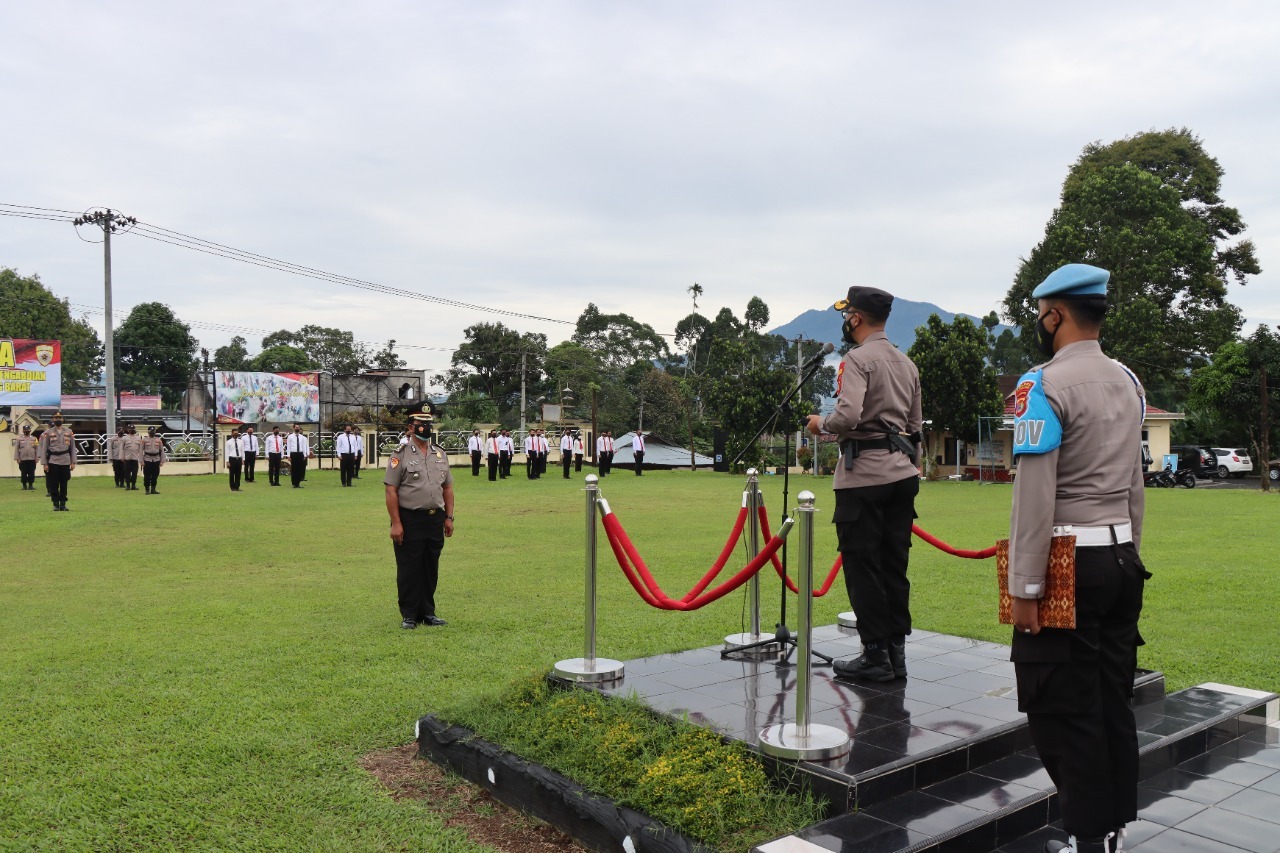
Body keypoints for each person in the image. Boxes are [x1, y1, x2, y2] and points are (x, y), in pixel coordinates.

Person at [1008, 264, 1147, 853]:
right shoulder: (1128, 381)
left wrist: (1024, 585)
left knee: (1062, 708)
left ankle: (1088, 838)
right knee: (1110, 698)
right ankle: (1109, 827)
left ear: (1055, 314)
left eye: (1040, 314)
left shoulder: (1040, 385)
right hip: (1120, 559)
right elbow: (1135, 483)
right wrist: (1130, 550)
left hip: (1069, 566)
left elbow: (1035, 493)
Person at [805, 286, 922, 683]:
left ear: (856, 318)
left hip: (863, 478)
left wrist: (821, 424)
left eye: (848, 314)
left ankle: (874, 656)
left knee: (862, 566)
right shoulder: (907, 364)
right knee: (894, 565)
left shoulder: (856, 360)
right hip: (902, 476)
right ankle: (896, 653)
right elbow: (917, 427)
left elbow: (849, 414)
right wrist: (911, 466)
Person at [384, 412, 454, 629]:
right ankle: (409, 614)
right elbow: (391, 490)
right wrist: (396, 523)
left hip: (435, 519)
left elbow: (448, 488)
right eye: (420, 424)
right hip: (409, 519)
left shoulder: (439, 454)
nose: (425, 427)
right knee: (409, 567)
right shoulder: (400, 455)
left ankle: (428, 612)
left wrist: (449, 517)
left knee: (430, 567)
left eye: (428, 424)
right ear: (411, 428)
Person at [37, 412, 76, 511]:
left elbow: (72, 448)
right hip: (53, 460)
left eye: (60, 417)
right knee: (54, 483)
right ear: (53, 419)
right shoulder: (48, 432)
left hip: (65, 460)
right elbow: (44, 448)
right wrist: (45, 463)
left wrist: (73, 462)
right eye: (56, 418)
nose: (58, 419)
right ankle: (55, 504)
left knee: (64, 483)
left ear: (63, 419)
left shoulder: (69, 431)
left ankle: (63, 504)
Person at [141, 426, 166, 494]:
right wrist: (141, 461)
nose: (152, 433)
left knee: (155, 475)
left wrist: (162, 461)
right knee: (147, 475)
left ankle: (153, 489)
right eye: (151, 431)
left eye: (153, 431)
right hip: (147, 459)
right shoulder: (144, 440)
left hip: (156, 459)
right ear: (148, 432)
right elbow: (140, 451)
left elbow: (162, 451)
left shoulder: (158, 440)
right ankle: (147, 489)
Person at [13, 424, 39, 490]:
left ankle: (31, 485)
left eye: (27, 430)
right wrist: (17, 458)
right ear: (23, 431)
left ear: (30, 430)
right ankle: (24, 486)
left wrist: (37, 457)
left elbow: (37, 448)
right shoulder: (19, 439)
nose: (26, 431)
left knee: (31, 472)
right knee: (23, 472)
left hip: (32, 459)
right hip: (23, 459)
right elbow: (16, 449)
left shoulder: (34, 438)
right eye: (25, 430)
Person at [121, 424, 143, 491]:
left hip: (135, 458)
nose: (132, 431)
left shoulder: (138, 438)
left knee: (134, 473)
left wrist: (141, 458)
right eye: (130, 430)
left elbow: (140, 449)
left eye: (133, 429)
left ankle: (133, 485)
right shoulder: (124, 438)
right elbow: (121, 448)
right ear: (128, 430)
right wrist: (122, 457)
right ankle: (127, 485)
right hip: (127, 458)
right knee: (127, 473)